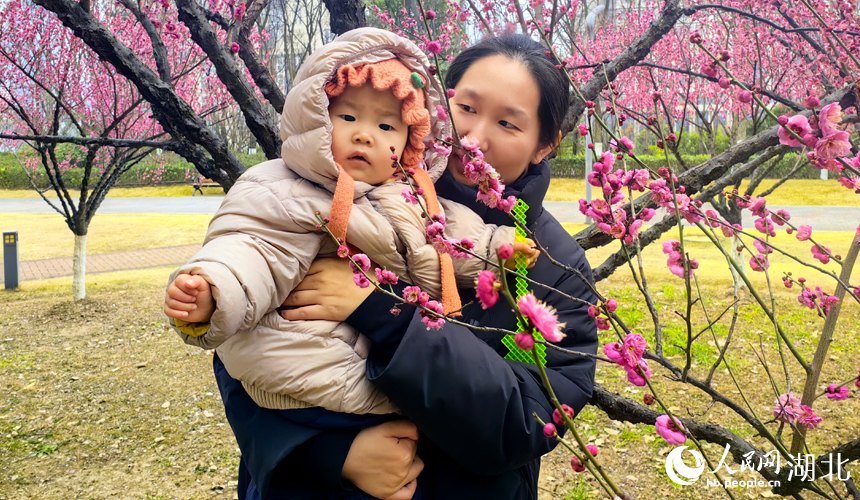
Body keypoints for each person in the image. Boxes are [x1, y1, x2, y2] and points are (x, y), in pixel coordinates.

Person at [213, 33, 600, 500]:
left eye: (508, 124)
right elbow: (250, 342)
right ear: (435, 105)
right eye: (467, 109)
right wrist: (328, 453)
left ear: (545, 145)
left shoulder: (547, 266)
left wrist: (383, 310)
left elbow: (525, 418)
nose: (473, 140)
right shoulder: (335, 193)